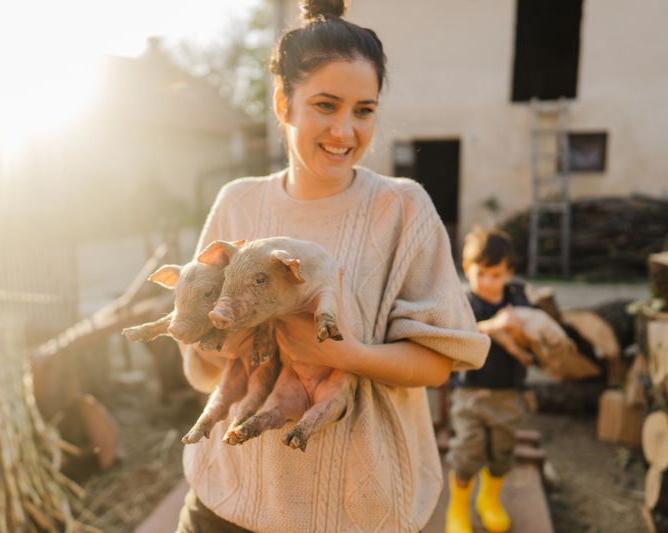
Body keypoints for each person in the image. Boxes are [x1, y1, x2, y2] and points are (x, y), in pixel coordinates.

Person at [176, 1, 490, 531]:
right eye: (326, 105)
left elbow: (436, 364)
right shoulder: (237, 203)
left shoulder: (403, 209)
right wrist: (223, 341)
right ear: (283, 103)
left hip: (359, 513)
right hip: (227, 502)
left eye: (363, 110)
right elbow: (199, 370)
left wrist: (341, 352)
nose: (345, 130)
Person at [445, 227, 532, 533]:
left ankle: (489, 500)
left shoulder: (517, 298)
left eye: (495, 275)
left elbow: (531, 332)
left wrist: (520, 328)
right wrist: (495, 325)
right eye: (480, 273)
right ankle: (457, 509)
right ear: (467, 270)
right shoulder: (464, 301)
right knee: (468, 451)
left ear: (509, 272)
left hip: (507, 391)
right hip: (470, 392)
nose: (487, 282)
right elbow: (458, 335)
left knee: (502, 450)